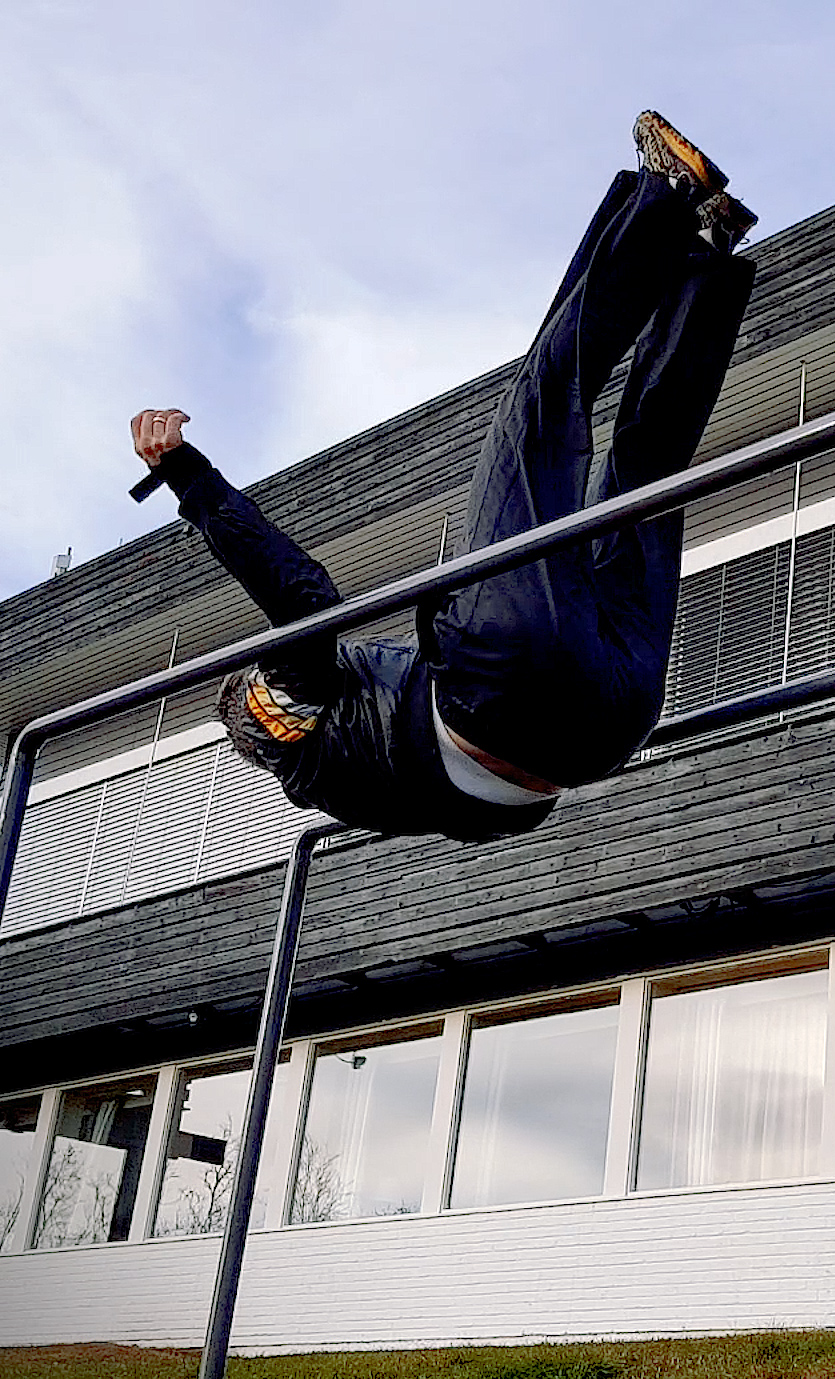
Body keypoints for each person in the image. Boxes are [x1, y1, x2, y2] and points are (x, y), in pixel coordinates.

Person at [129, 113, 757, 843]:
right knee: (541, 409)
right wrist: (189, 478)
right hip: (510, 680)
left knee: (643, 485)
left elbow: (489, 814)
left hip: (610, 730)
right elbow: (304, 603)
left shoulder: (355, 790)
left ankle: (707, 245)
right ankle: (666, 197)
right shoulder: (273, 721)